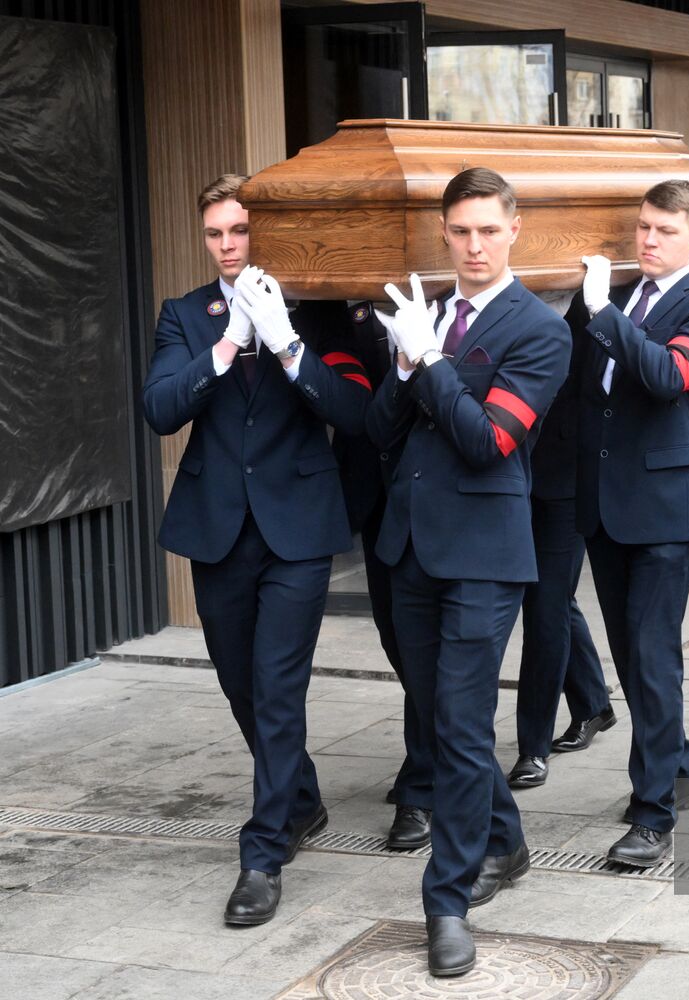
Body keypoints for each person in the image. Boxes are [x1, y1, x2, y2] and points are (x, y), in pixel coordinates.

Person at [142, 174, 371, 926]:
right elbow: (160, 410)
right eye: (216, 234)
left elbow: (353, 412)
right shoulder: (185, 314)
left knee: (276, 690)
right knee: (241, 686)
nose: (229, 245)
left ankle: (263, 852)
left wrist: (286, 343)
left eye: (240, 230)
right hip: (217, 529)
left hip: (297, 531)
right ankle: (300, 801)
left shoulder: (319, 308)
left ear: (261, 232)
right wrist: (229, 343)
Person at [364, 167, 571, 977]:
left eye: (489, 229)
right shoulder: (431, 316)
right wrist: (409, 363)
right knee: (439, 715)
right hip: (410, 546)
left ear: (514, 228)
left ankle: (444, 900)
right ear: (443, 234)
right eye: (461, 231)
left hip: (485, 556)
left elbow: (490, 443)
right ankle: (507, 842)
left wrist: (433, 365)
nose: (475, 245)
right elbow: (383, 430)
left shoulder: (540, 329)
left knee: (456, 722)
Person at [577, 180, 689, 866]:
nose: (647, 240)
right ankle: (678, 767)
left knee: (651, 656)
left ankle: (653, 814)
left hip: (669, 510)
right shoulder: (617, 296)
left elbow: (668, 377)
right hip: (608, 502)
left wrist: (601, 315)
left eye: (664, 231)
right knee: (634, 657)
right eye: (643, 227)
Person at [290, 298, 433, 850]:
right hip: (374, 500)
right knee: (398, 638)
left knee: (431, 653)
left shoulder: (436, 293)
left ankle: (423, 783)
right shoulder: (324, 310)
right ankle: (441, 762)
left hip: (438, 495)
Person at [505, 295, 616, 791]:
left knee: (546, 607)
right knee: (553, 598)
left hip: (563, 482)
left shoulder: (586, 308)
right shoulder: (500, 302)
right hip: (505, 478)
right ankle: (593, 702)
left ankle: (533, 744)